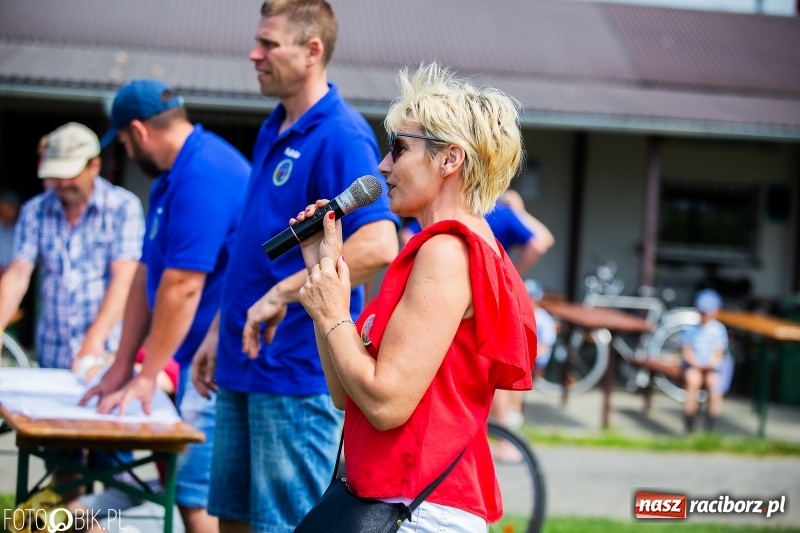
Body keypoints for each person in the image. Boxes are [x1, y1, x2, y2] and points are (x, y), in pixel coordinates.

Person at [294, 62, 536, 531]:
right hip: (401, 503)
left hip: (420, 511)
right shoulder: (449, 248)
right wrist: (322, 274)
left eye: (399, 149)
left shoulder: (446, 252)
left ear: (450, 159)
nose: (383, 165)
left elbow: (385, 405)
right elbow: (348, 395)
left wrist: (335, 313)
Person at [189, 2, 398, 531]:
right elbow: (250, 250)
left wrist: (282, 295)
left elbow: (377, 244)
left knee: (286, 526)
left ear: (312, 51)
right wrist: (217, 329)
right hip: (243, 366)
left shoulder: (341, 134)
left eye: (268, 44)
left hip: (294, 377)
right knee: (232, 521)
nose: (253, 54)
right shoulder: (275, 124)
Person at [80, 79, 251, 533]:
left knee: (198, 502)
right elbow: (145, 275)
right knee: (188, 498)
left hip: (218, 366)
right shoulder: (169, 179)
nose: (126, 151)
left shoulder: (203, 172)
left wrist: (149, 374)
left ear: (137, 131)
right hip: (191, 363)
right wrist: (122, 367)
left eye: (121, 142)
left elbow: (182, 286)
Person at [0, 122, 144, 370]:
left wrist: (93, 341)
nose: (64, 183)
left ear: (94, 166)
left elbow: (124, 280)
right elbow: (18, 273)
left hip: (106, 351)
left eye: (71, 174)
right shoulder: (35, 211)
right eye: (58, 175)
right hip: (52, 348)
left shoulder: (123, 207)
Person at [682, 288, 728, 432]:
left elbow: (718, 353)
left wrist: (711, 364)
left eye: (707, 312)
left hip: (711, 368)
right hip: (694, 366)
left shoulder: (719, 330)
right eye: (702, 312)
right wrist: (695, 363)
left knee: (714, 384)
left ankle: (711, 421)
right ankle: (690, 420)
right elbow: (686, 351)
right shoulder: (691, 329)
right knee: (693, 380)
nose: (704, 315)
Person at [0, 189, 21, 275]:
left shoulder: (18, 229)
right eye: (10, 204)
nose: (14, 208)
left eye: (15, 205)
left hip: (14, 276)